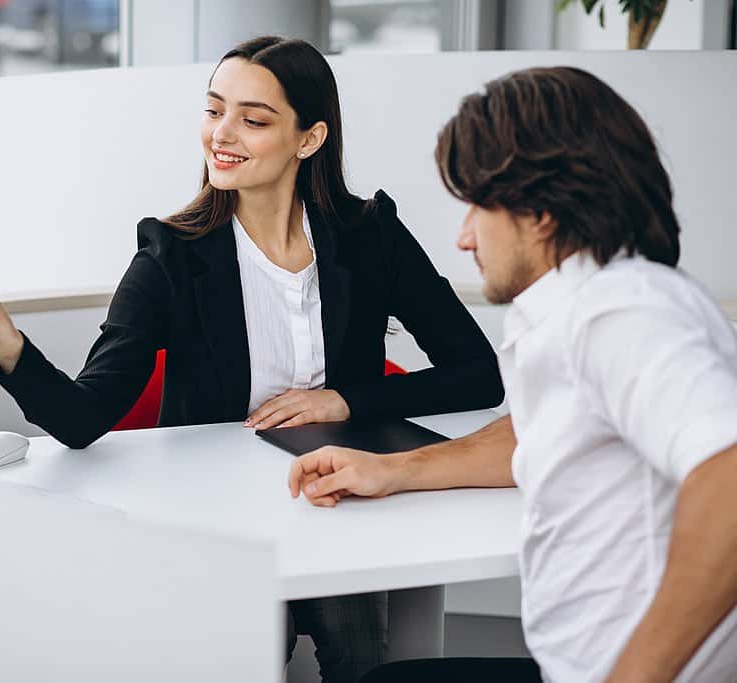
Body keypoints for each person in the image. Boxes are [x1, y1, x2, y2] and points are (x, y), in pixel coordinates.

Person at [0, 36, 504, 683]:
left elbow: (476, 372)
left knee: (365, 663)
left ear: (309, 139)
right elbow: (82, 416)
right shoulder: (171, 256)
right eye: (213, 111)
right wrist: (6, 343)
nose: (221, 134)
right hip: (220, 526)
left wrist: (347, 400)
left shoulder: (370, 235)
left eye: (253, 120)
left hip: (335, 506)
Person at [288, 66, 737, 683]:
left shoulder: (621, 314)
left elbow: (730, 481)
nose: (466, 236)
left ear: (542, 209)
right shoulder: (584, 306)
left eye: (478, 205)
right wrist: (391, 470)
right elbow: (536, 431)